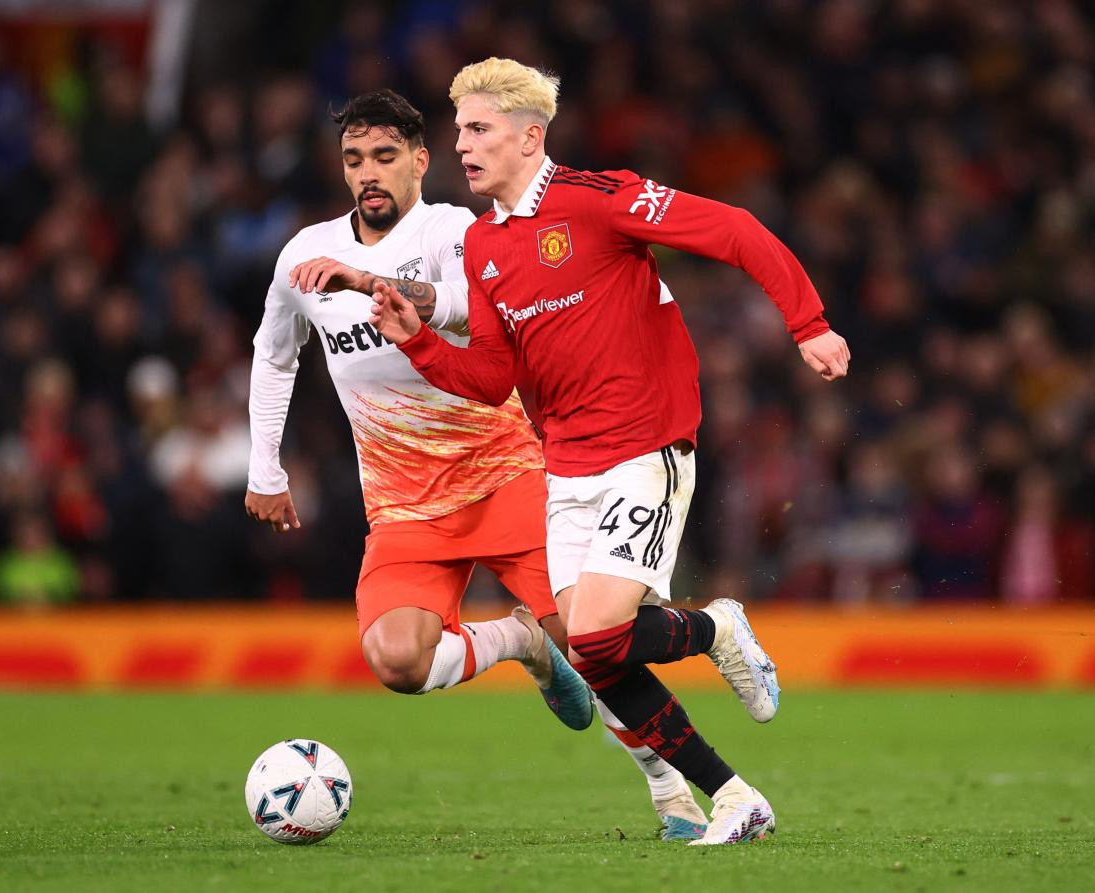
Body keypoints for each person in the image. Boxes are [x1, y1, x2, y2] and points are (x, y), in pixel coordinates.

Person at [370, 58, 851, 846]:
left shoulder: (598, 200)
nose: (462, 143)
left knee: (592, 635)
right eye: (459, 129)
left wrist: (809, 324)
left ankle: (721, 628)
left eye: (479, 128)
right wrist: (419, 342)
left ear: (531, 136)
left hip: (645, 445)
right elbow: (492, 379)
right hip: (567, 465)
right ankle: (734, 795)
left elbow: (736, 230)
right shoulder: (484, 249)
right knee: (596, 655)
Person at [247, 89, 710, 842]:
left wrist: (373, 285)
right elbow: (273, 354)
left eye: (386, 157)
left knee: (594, 643)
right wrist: (265, 468)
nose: (369, 173)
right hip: (404, 505)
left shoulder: (453, 230)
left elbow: (470, 305)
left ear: (420, 163)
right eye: (354, 159)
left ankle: (673, 793)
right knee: (397, 660)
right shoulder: (303, 254)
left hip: (508, 475)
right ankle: (513, 641)